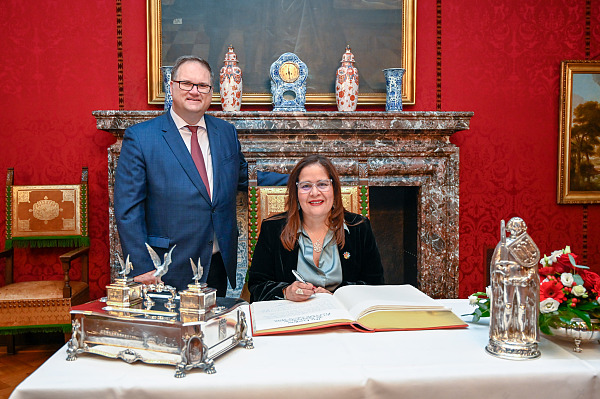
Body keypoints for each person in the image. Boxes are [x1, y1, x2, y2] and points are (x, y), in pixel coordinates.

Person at [115, 55, 249, 296]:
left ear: (211, 92)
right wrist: (142, 265)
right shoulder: (141, 138)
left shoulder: (226, 133)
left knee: (211, 331)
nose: (195, 91)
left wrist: (301, 180)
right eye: (186, 83)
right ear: (172, 86)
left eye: (202, 86)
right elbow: (128, 209)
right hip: (164, 267)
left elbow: (243, 179)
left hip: (215, 262)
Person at [248, 155, 385, 302]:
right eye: (306, 186)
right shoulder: (273, 229)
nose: (314, 193)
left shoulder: (359, 227)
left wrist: (337, 297)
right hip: (293, 318)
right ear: (296, 192)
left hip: (343, 318)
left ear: (334, 188)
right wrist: (286, 291)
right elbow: (257, 286)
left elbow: (375, 286)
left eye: (322, 184)